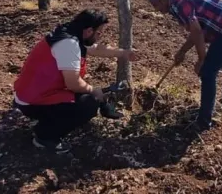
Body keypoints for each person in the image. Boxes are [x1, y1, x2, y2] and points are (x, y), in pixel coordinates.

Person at [12, 9, 137, 153]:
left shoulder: (70, 33)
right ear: (89, 31)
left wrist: (123, 53)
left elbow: (94, 49)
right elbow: (73, 83)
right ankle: (45, 136)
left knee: (84, 96)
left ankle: (45, 118)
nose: (100, 36)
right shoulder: (69, 45)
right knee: (89, 104)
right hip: (32, 100)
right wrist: (94, 91)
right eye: (99, 32)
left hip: (30, 93)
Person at [147, 0, 222, 130]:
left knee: (207, 72)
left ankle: (203, 122)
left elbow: (197, 32)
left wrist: (202, 59)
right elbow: (196, 32)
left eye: (156, 4)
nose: (156, 9)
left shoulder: (180, 4)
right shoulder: (179, 1)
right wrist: (182, 51)